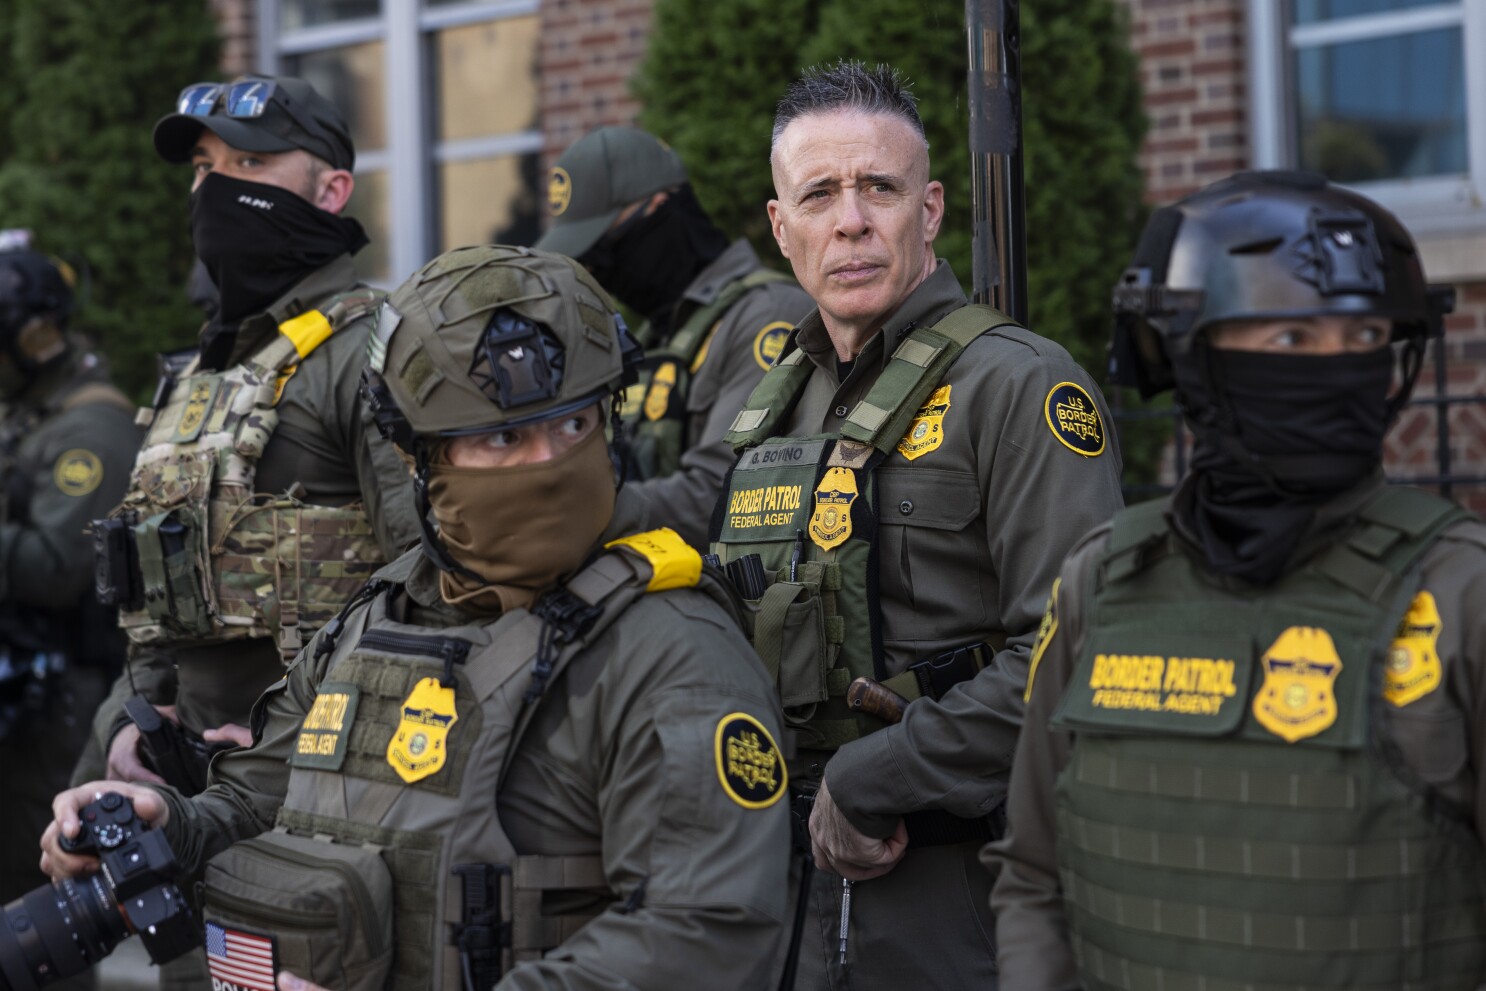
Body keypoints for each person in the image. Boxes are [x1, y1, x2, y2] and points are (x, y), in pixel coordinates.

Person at [44, 245, 792, 991]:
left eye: (574, 425)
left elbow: (704, 936)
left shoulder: (672, 650)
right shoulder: (380, 611)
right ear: (417, 457)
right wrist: (165, 825)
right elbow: (259, 803)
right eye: (504, 437)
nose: (549, 464)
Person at [986, 169, 1486, 989]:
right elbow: (1036, 877)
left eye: (1364, 338)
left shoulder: (1461, 594)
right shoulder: (1101, 581)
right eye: (1291, 341)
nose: (1338, 368)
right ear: (1191, 357)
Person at [708, 61, 1124, 989]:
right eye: (819, 194)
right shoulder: (771, 407)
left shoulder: (1018, 386)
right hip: (782, 897)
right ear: (782, 227)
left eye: (880, 188)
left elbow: (1081, 652)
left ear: (929, 210)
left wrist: (881, 775)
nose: (850, 220)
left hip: (963, 896)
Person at [78, 75, 419, 990]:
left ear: (332, 189)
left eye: (251, 164)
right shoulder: (200, 374)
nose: (217, 187)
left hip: (334, 811)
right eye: (205, 167)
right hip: (191, 816)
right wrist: (126, 732)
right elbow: (153, 591)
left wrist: (282, 747)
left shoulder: (374, 352)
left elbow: (435, 591)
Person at [534, 125, 812, 548]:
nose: (598, 272)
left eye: (605, 248)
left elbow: (724, 494)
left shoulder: (767, 317)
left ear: (661, 210)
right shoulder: (656, 335)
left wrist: (561, 511)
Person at [0, 239, 139, 919]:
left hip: (61, 696)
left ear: (33, 337)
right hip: (21, 686)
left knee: (41, 898)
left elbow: (57, 567)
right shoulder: (29, 412)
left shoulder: (92, 430)